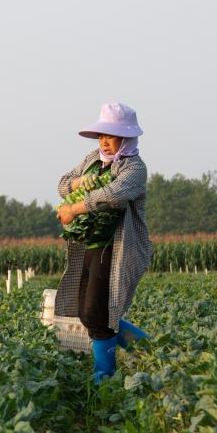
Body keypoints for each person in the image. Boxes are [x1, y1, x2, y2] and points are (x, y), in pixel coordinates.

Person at [55, 102, 152, 383]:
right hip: (92, 245)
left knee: (97, 313)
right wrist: (78, 183)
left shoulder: (134, 168)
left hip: (118, 247)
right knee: (89, 313)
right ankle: (151, 350)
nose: (105, 143)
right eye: (102, 136)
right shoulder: (92, 161)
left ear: (126, 138)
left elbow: (113, 194)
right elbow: (62, 183)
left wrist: (74, 208)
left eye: (111, 137)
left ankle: (105, 379)